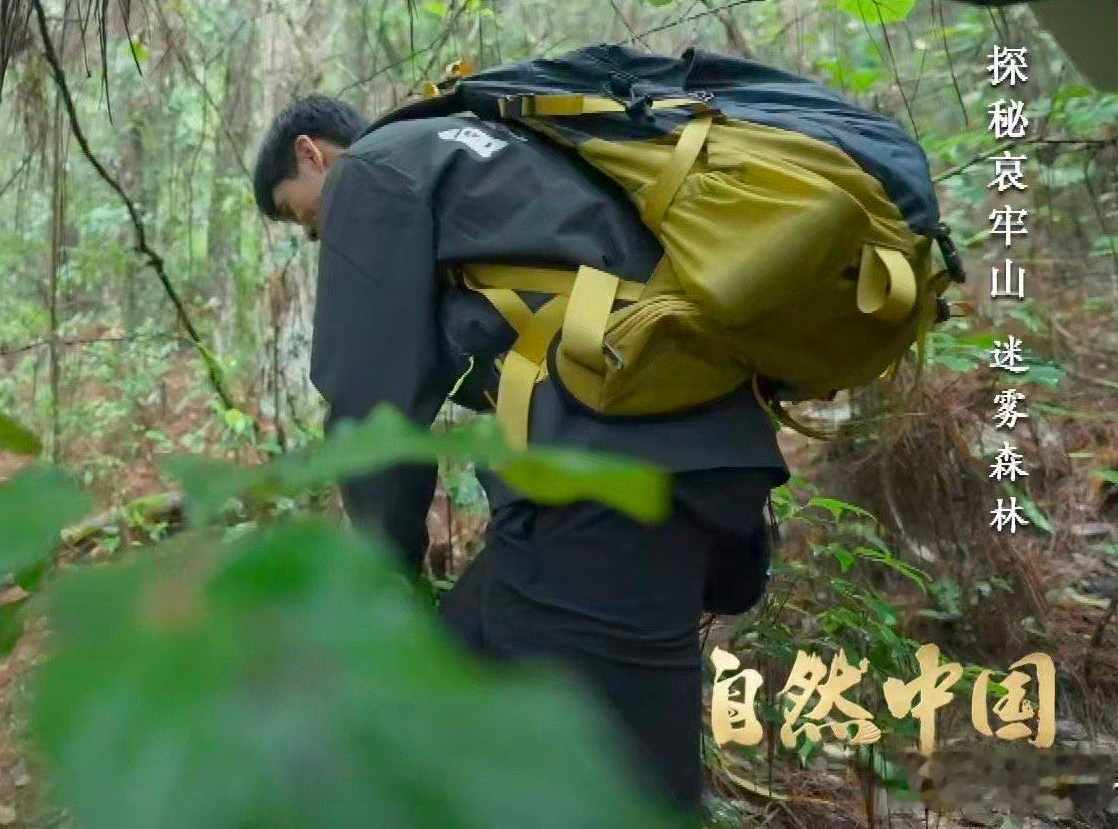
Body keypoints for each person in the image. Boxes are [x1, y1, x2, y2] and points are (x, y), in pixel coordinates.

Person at [253, 91, 788, 815]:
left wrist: (383, 579)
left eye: (297, 213)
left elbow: (372, 407)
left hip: (600, 479)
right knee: (455, 687)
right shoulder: (495, 144)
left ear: (312, 154)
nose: (311, 233)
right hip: (709, 458)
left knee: (609, 779)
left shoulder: (373, 171)